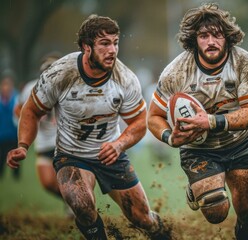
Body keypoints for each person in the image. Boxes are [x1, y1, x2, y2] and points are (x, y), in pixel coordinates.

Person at [7, 15, 170, 240]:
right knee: (81, 204)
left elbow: (140, 121)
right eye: (104, 43)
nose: (112, 50)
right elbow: (31, 110)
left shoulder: (126, 79)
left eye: (115, 42)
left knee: (142, 218)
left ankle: (165, 234)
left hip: (111, 155)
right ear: (86, 46)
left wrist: (119, 144)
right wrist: (24, 145)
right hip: (71, 155)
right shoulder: (60, 73)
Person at [147, 3, 248, 240]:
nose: (211, 41)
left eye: (217, 35)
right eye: (203, 36)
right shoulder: (176, 72)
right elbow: (153, 117)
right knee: (216, 211)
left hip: (239, 144)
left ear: (228, 37)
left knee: (247, 212)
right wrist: (170, 137)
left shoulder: (245, 64)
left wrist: (210, 121)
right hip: (198, 149)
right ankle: (198, 187)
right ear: (194, 39)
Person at [14, 53, 70, 210]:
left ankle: (77, 205)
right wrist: (33, 118)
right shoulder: (31, 89)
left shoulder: (70, 86)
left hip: (66, 142)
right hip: (44, 142)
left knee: (70, 181)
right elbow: (19, 110)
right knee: (47, 183)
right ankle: (71, 202)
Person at [0, 71, 19, 180]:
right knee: (1, 157)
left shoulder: (17, 98)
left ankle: (16, 178)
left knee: (15, 156)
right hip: (1, 134)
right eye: (4, 85)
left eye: (8, 85)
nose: (6, 87)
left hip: (13, 134)